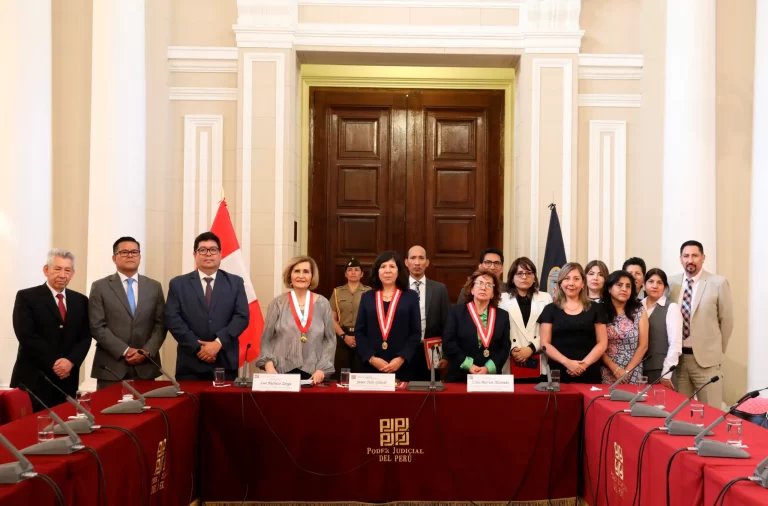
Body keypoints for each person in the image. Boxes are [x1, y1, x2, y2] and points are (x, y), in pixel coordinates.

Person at [11, 249, 91, 412]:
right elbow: (26, 335)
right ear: (46, 270)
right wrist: (55, 362)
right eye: (57, 269)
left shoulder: (81, 300)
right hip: (34, 379)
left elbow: (85, 336)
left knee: (67, 424)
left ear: (73, 274)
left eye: (67, 270)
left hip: (67, 381)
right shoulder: (27, 297)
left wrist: (70, 361)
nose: (62, 275)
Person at [165, 232, 249, 381]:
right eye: (202, 250)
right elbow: (173, 319)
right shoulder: (178, 284)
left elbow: (241, 317)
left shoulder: (235, 282)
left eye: (213, 250)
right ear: (195, 254)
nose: (208, 254)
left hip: (225, 361)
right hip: (190, 362)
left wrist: (218, 343)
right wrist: (199, 348)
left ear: (220, 254)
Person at [89, 237, 167, 390]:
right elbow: (96, 326)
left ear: (140, 256)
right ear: (114, 258)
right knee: (109, 406)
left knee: (147, 406)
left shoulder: (154, 286)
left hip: (145, 366)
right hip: (111, 367)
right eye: (124, 252)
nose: (130, 255)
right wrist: (125, 350)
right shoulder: (100, 287)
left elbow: (161, 324)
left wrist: (146, 351)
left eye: (134, 252)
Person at [668, 240, 733, 408]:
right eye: (686, 256)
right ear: (680, 259)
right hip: (679, 361)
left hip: (707, 362)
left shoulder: (718, 283)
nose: (690, 260)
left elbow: (726, 322)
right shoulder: (671, 283)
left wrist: (717, 353)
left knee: (712, 412)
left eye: (695, 256)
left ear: (703, 258)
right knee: (679, 413)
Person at [256, 256, 336, 383]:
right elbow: (267, 339)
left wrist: (322, 369)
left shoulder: (323, 304)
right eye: (297, 271)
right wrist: (269, 366)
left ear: (312, 276)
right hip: (281, 372)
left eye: (306, 271)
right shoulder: (277, 303)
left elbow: (330, 340)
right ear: (290, 276)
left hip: (314, 375)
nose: (301, 276)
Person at [354, 251, 421, 381]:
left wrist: (401, 358)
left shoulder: (411, 297)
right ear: (377, 271)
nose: (388, 271)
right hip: (372, 367)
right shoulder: (367, 297)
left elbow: (415, 333)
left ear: (399, 271)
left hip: (401, 366)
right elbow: (359, 332)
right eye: (383, 266)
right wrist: (371, 358)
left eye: (392, 266)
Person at [539, 262, 608, 384]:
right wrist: (568, 363)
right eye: (567, 278)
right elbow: (545, 343)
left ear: (583, 283)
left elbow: (602, 343)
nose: (571, 283)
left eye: (576, 279)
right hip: (558, 371)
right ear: (560, 283)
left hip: (589, 370)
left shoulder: (596, 308)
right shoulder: (550, 309)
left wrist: (583, 365)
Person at [443, 270, 511, 382]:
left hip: (491, 378)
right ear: (472, 289)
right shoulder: (456, 312)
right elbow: (448, 343)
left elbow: (505, 347)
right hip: (460, 376)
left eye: (488, 285)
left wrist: (488, 368)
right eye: (479, 283)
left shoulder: (502, 316)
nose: (483, 288)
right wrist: (469, 365)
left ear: (493, 293)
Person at [498, 257, 552, 382]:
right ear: (512, 277)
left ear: (534, 277)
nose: (524, 277)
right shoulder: (501, 299)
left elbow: (549, 329)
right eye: (519, 273)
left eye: (529, 273)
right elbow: (499, 330)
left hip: (538, 357)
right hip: (511, 358)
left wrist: (531, 348)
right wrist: (513, 349)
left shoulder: (545, 298)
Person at [404, 245, 450, 380]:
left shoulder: (439, 289)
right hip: (403, 351)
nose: (417, 262)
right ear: (406, 262)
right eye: (413, 258)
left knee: (430, 389)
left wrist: (445, 354)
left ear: (427, 262)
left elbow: (447, 324)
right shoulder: (399, 288)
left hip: (431, 352)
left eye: (421, 258)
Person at [600, 271, 649, 384]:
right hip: (607, 369)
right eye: (619, 285)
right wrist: (614, 369)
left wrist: (627, 371)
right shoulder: (600, 310)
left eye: (628, 286)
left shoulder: (639, 310)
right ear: (609, 288)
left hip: (632, 370)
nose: (624, 289)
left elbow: (643, 345)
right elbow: (597, 344)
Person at [330, 257, 370, 377]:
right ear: (345, 274)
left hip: (363, 336)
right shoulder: (337, 292)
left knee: (361, 373)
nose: (353, 272)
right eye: (350, 270)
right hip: (342, 336)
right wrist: (344, 336)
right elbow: (331, 319)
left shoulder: (369, 292)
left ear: (362, 274)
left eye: (356, 270)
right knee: (342, 374)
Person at [642, 268, 682, 387]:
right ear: (644, 285)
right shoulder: (637, 306)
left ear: (665, 288)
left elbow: (675, 344)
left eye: (659, 283)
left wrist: (666, 374)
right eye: (651, 281)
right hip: (638, 369)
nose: (655, 286)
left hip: (660, 369)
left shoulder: (671, 308)